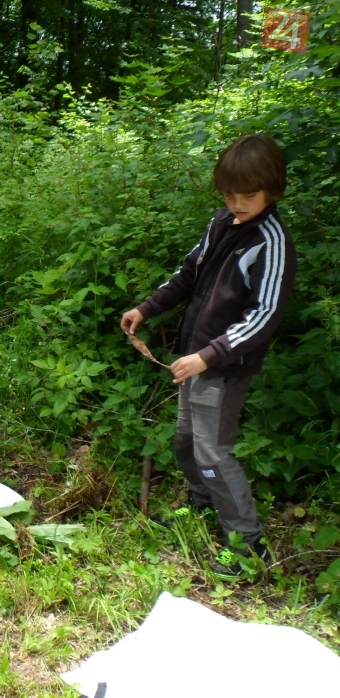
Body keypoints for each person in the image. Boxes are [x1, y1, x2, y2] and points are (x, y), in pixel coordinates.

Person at [120, 133, 296, 578]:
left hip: (224, 367)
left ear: (272, 189)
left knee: (213, 452)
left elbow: (264, 315)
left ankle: (248, 544)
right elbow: (187, 275)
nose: (237, 203)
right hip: (194, 358)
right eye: (229, 193)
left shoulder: (271, 242)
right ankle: (201, 504)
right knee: (185, 441)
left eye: (248, 195)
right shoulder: (220, 223)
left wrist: (208, 356)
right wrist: (146, 308)